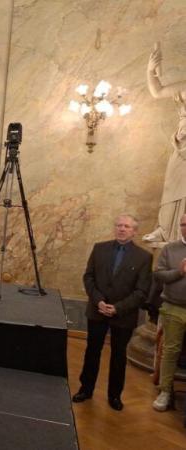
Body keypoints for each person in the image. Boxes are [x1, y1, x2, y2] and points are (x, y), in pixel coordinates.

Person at [71, 214, 152, 411]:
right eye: (118, 225)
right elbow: (88, 277)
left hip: (123, 315)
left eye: (126, 226)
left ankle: (114, 396)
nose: (121, 229)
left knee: (118, 355)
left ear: (135, 231)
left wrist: (118, 308)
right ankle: (86, 389)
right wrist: (99, 301)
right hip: (97, 311)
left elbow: (142, 291)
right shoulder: (99, 249)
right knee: (92, 351)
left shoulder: (144, 257)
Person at [143, 42, 186, 243]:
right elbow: (157, 92)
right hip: (183, 143)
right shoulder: (185, 87)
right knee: (173, 182)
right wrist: (151, 70)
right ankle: (166, 229)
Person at [152, 213, 186, 412]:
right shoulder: (170, 249)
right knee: (171, 351)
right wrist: (179, 273)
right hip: (174, 307)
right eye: (185, 224)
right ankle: (165, 391)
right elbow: (158, 274)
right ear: (181, 227)